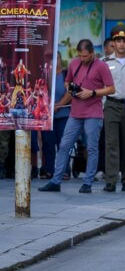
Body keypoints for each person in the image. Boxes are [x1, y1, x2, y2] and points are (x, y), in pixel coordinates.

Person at [38, 39, 115, 193]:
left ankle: (87, 183)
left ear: (92, 53)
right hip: (75, 112)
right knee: (64, 146)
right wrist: (69, 86)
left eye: (85, 56)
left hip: (93, 113)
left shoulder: (101, 66)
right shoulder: (74, 64)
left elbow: (111, 89)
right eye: (80, 55)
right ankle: (56, 181)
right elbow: (68, 81)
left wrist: (92, 92)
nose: (82, 59)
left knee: (91, 148)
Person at [102, 23, 125, 192]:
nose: (121, 44)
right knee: (111, 144)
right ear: (113, 43)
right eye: (118, 41)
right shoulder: (104, 62)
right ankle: (110, 180)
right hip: (111, 104)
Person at [40, 52, 69, 181]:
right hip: (47, 115)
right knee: (48, 143)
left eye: (57, 58)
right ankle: (49, 170)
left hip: (63, 114)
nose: (54, 61)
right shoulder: (44, 76)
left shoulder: (65, 75)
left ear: (60, 59)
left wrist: (58, 105)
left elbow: (71, 93)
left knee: (63, 143)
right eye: (51, 59)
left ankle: (64, 170)